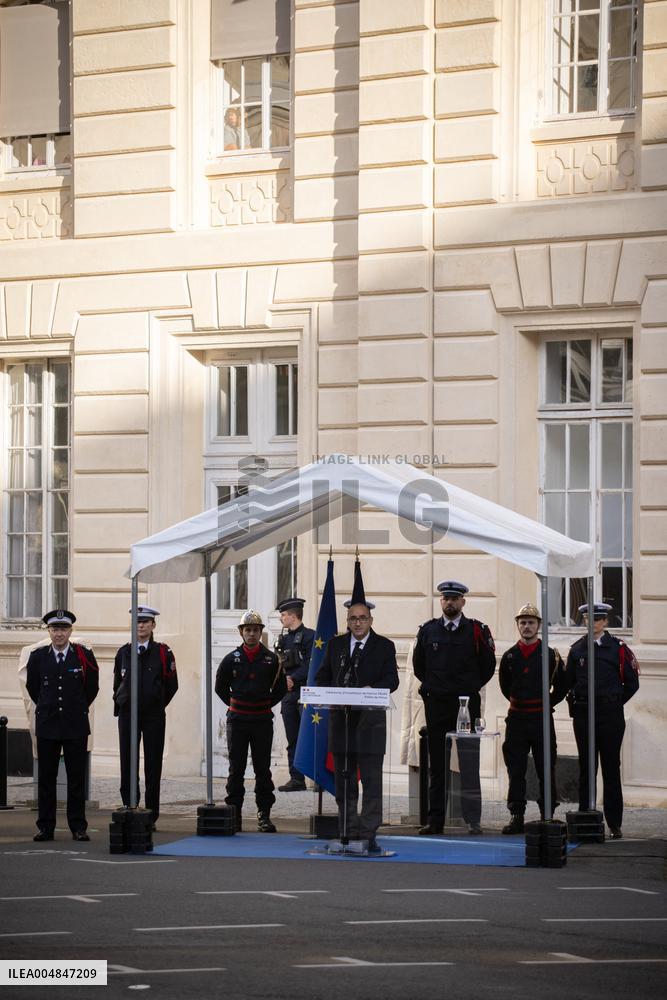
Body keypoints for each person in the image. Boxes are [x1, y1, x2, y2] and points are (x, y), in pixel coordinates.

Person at [315, 597, 399, 853]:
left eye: (362, 618)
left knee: (372, 783)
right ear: (347, 621)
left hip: (371, 725)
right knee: (345, 783)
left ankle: (368, 833)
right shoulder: (336, 645)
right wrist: (335, 693)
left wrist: (371, 690)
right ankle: (347, 832)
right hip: (342, 724)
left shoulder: (384, 646)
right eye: (353, 618)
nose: (358, 622)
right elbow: (321, 678)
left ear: (371, 620)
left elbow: (392, 680)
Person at [412, 580, 496, 835]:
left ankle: (473, 820)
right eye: (446, 598)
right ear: (441, 601)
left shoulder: (476, 630)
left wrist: (467, 687)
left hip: (466, 705)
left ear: (463, 602)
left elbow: (488, 666)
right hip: (437, 704)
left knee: (469, 764)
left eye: (454, 598)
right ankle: (435, 821)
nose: (450, 602)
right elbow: (419, 666)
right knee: (437, 766)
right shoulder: (428, 631)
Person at [564, 602, 639, 840]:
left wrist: (613, 703)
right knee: (587, 767)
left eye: (598, 619)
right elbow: (568, 682)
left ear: (605, 622)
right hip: (585, 714)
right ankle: (586, 817)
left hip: (610, 715)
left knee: (610, 768)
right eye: (589, 619)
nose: (593, 623)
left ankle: (614, 823)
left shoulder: (617, 648)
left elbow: (632, 682)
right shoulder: (577, 650)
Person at [26, 610, 99, 842]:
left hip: (75, 724)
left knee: (76, 778)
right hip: (48, 724)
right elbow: (33, 688)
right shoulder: (37, 657)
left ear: (71, 631)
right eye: (55, 629)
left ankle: (78, 826)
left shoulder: (83, 656)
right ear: (48, 631)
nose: (59, 633)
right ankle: (46, 826)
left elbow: (92, 688)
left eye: (63, 629)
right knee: (47, 779)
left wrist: (75, 708)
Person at [499, 603, 569, 834]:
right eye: (522, 623)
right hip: (517, 719)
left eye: (531, 622)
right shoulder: (510, 656)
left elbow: (561, 686)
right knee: (515, 769)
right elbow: (505, 687)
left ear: (539, 625)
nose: (526, 627)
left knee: (545, 766)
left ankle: (547, 813)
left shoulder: (551, 656)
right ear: (517, 626)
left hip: (541, 719)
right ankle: (516, 815)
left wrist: (547, 703)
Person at [215, 610, 287, 832]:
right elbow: (220, 687)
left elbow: (281, 689)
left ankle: (263, 815)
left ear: (261, 632)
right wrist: (237, 703)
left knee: (262, 769)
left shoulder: (271, 660)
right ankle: (234, 815)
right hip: (237, 721)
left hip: (261, 721)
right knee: (236, 769)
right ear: (241, 633)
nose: (252, 634)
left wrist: (263, 703)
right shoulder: (231, 659)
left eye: (256, 630)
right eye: (248, 630)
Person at [113, 606, 178, 830]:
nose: (141, 625)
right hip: (128, 714)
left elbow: (172, 685)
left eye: (145, 622)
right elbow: (117, 685)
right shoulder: (124, 652)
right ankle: (130, 807)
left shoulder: (163, 652)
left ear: (153, 626)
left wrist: (156, 703)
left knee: (152, 765)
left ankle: (151, 815)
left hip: (153, 715)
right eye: (137, 622)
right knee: (128, 762)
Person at [274, 598, 314, 792]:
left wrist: (293, 678)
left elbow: (311, 664)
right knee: (293, 738)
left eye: (283, 615)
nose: (281, 618)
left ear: (293, 615)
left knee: (311, 736)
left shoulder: (310, 637)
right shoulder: (283, 639)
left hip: (306, 692)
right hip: (289, 694)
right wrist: (284, 680)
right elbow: (279, 664)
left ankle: (317, 779)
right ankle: (296, 778)